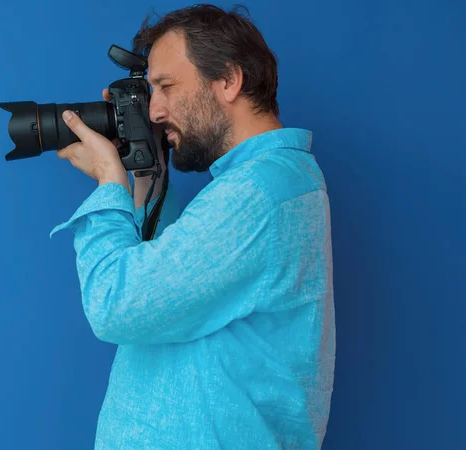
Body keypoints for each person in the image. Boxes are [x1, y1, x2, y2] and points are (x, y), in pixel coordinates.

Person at [50, 4, 336, 449]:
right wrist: (145, 171)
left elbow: (117, 305)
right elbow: (174, 285)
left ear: (228, 80)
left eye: (165, 87)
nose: (156, 111)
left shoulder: (259, 193)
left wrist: (110, 186)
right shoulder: (260, 184)